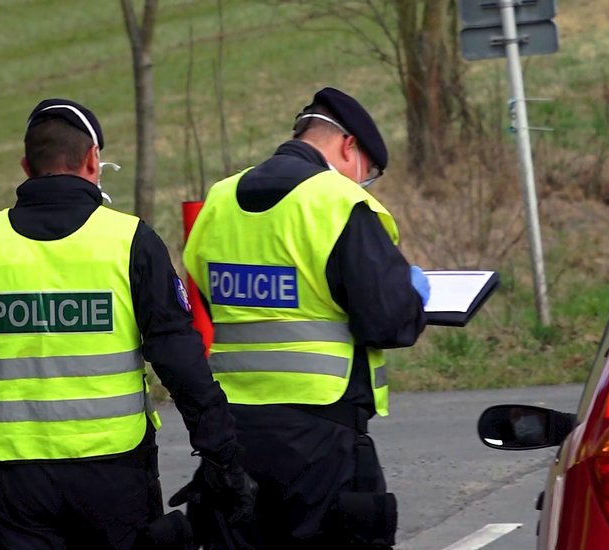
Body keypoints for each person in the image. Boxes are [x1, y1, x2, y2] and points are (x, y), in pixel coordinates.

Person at [0, 98, 257, 549]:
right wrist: (222, 453)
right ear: (92, 160)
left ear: (26, 165)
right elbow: (178, 356)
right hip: (115, 478)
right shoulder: (129, 241)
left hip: (16, 483)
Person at [178, 86, 428, 549]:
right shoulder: (337, 202)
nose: (362, 184)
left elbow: (211, 300)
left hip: (234, 434)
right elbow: (388, 323)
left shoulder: (220, 199)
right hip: (322, 435)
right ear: (348, 147)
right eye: (366, 175)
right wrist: (411, 293)